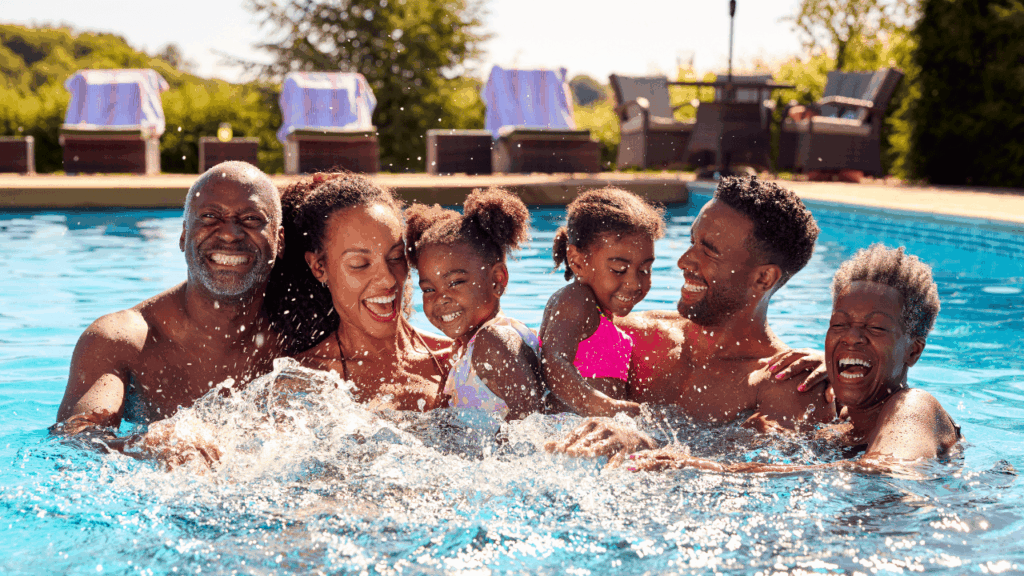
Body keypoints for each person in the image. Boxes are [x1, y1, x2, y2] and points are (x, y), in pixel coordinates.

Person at [549, 177, 835, 459]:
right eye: (692, 241)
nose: (683, 261)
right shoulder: (630, 335)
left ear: (763, 277)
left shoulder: (787, 385)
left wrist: (645, 443)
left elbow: (779, 480)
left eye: (708, 251)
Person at [626, 244, 961, 473]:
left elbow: (886, 471)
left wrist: (717, 470)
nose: (851, 337)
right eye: (839, 324)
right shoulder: (839, 427)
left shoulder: (915, 406)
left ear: (913, 351)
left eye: (874, 327)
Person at [53, 162, 286, 447]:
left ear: (279, 240)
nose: (229, 234)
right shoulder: (123, 340)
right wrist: (150, 444)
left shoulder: (301, 334)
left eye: (251, 219)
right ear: (184, 236)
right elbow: (74, 441)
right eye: (210, 217)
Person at [264, 172, 450, 411]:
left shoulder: (460, 359)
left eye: (395, 257)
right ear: (319, 267)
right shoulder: (304, 383)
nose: (387, 279)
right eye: (360, 264)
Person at [405, 188, 544, 420]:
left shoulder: (494, 341)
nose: (441, 298)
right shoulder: (469, 347)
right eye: (429, 289)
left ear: (497, 280)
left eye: (456, 282)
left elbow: (532, 423)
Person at [539, 188, 666, 418]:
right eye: (619, 269)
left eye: (645, 269)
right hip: (565, 433)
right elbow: (553, 361)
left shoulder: (600, 314)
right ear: (577, 261)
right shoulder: (575, 298)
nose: (634, 282)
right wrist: (604, 406)